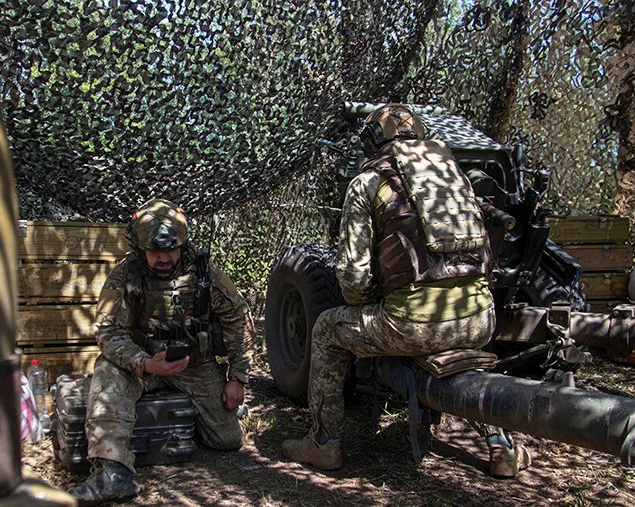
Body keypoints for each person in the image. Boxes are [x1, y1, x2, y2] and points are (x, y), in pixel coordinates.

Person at [280, 103, 531, 478]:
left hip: (411, 326)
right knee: (463, 352)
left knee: (326, 329)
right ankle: (503, 448)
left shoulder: (368, 183)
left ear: (372, 140)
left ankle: (323, 442)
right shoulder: (455, 177)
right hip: (479, 319)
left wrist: (373, 305)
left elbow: (352, 277)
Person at [68, 198, 251, 505]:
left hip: (194, 365)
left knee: (228, 440)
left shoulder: (205, 274)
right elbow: (107, 331)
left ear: (183, 244)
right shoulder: (126, 274)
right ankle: (112, 472)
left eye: (171, 249)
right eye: (155, 251)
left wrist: (237, 378)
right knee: (107, 371)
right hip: (143, 363)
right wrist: (144, 363)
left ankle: (199, 419)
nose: (164, 258)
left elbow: (237, 319)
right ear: (141, 249)